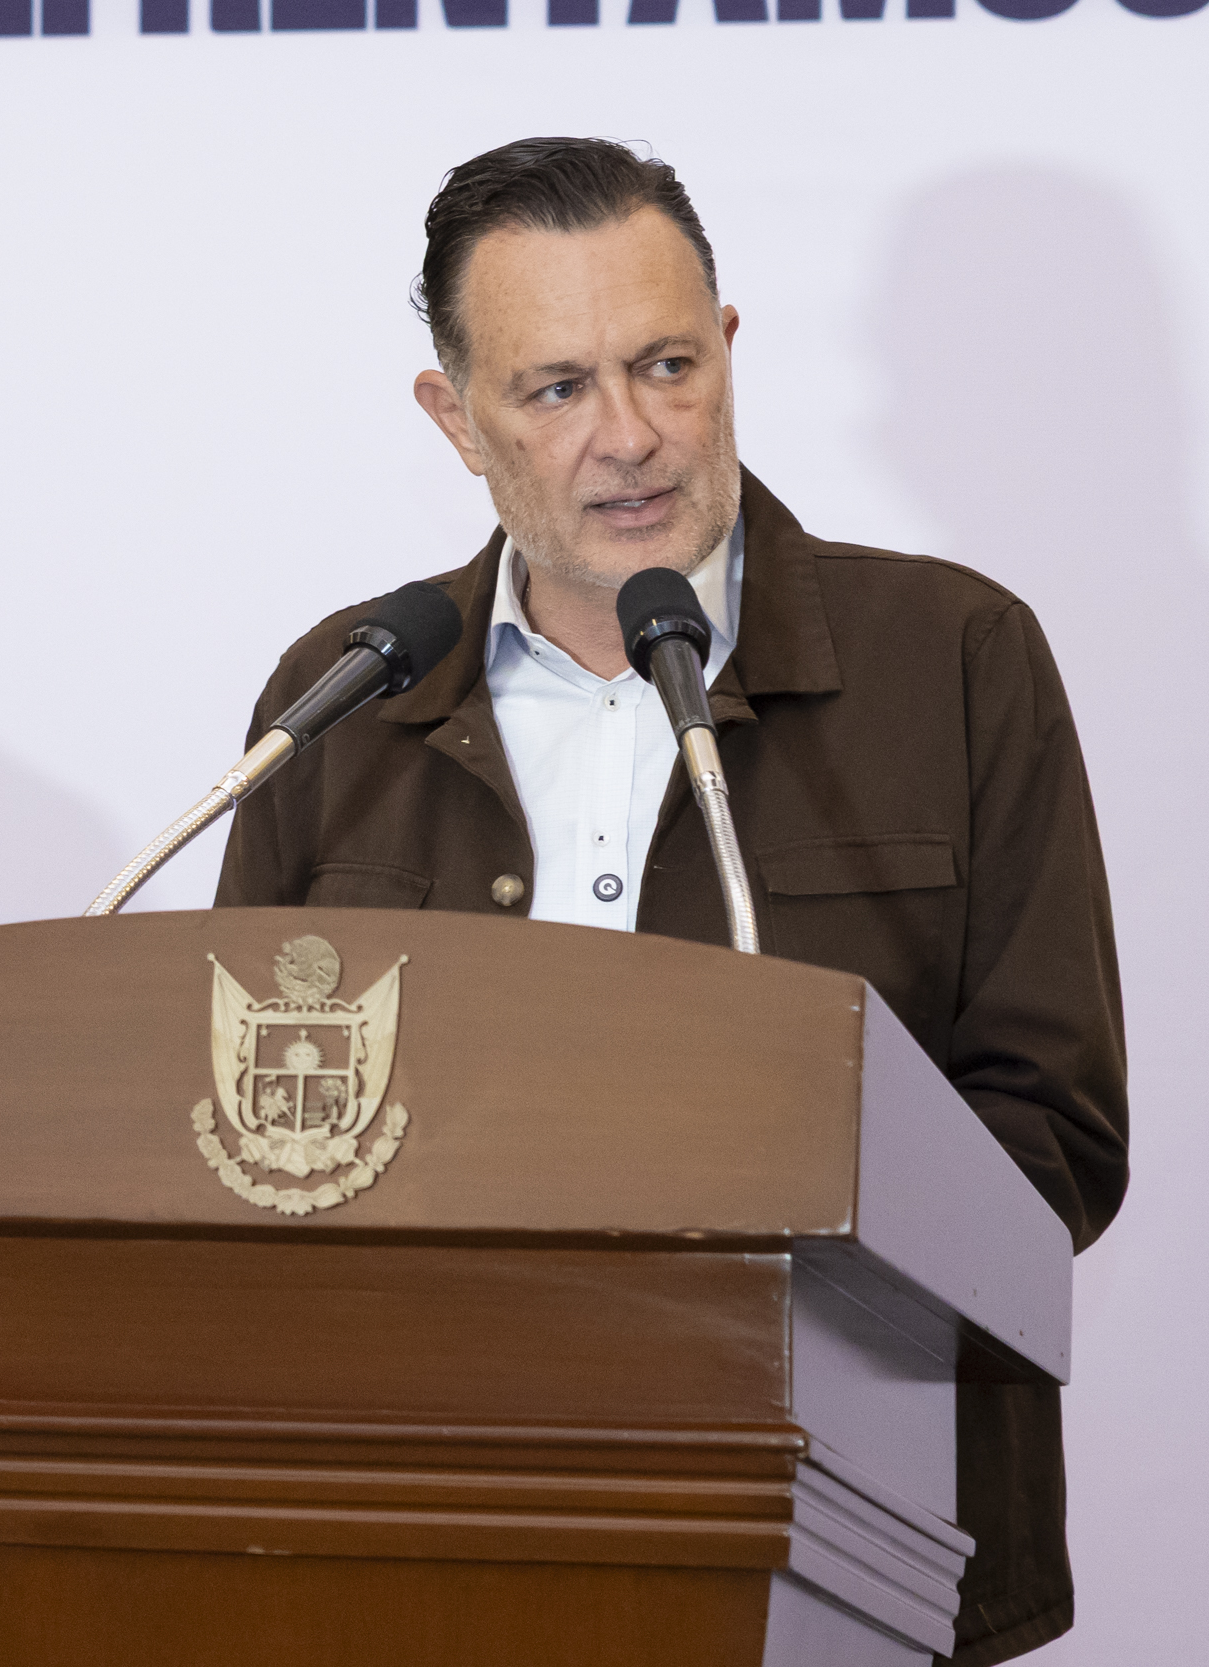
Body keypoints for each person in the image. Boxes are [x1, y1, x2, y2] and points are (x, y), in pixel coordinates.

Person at [216, 138, 1124, 1667]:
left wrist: (754, 1266)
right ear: (456, 417)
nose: (630, 437)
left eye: (667, 365)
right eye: (556, 387)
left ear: (729, 349)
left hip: (846, 1533)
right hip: (425, 1525)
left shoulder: (956, 660)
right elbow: (246, 1138)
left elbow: (1056, 1135)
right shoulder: (348, 692)